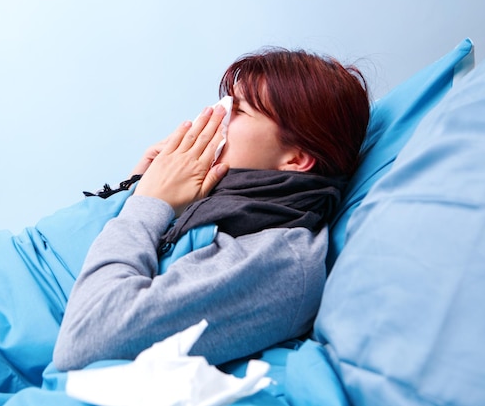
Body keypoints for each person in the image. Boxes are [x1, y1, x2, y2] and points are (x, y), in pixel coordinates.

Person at [53, 47, 370, 371]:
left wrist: (146, 204)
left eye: (240, 110)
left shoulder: (279, 260)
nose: (216, 115)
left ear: (297, 158)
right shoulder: (210, 198)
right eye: (226, 102)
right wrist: (137, 185)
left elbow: (85, 339)